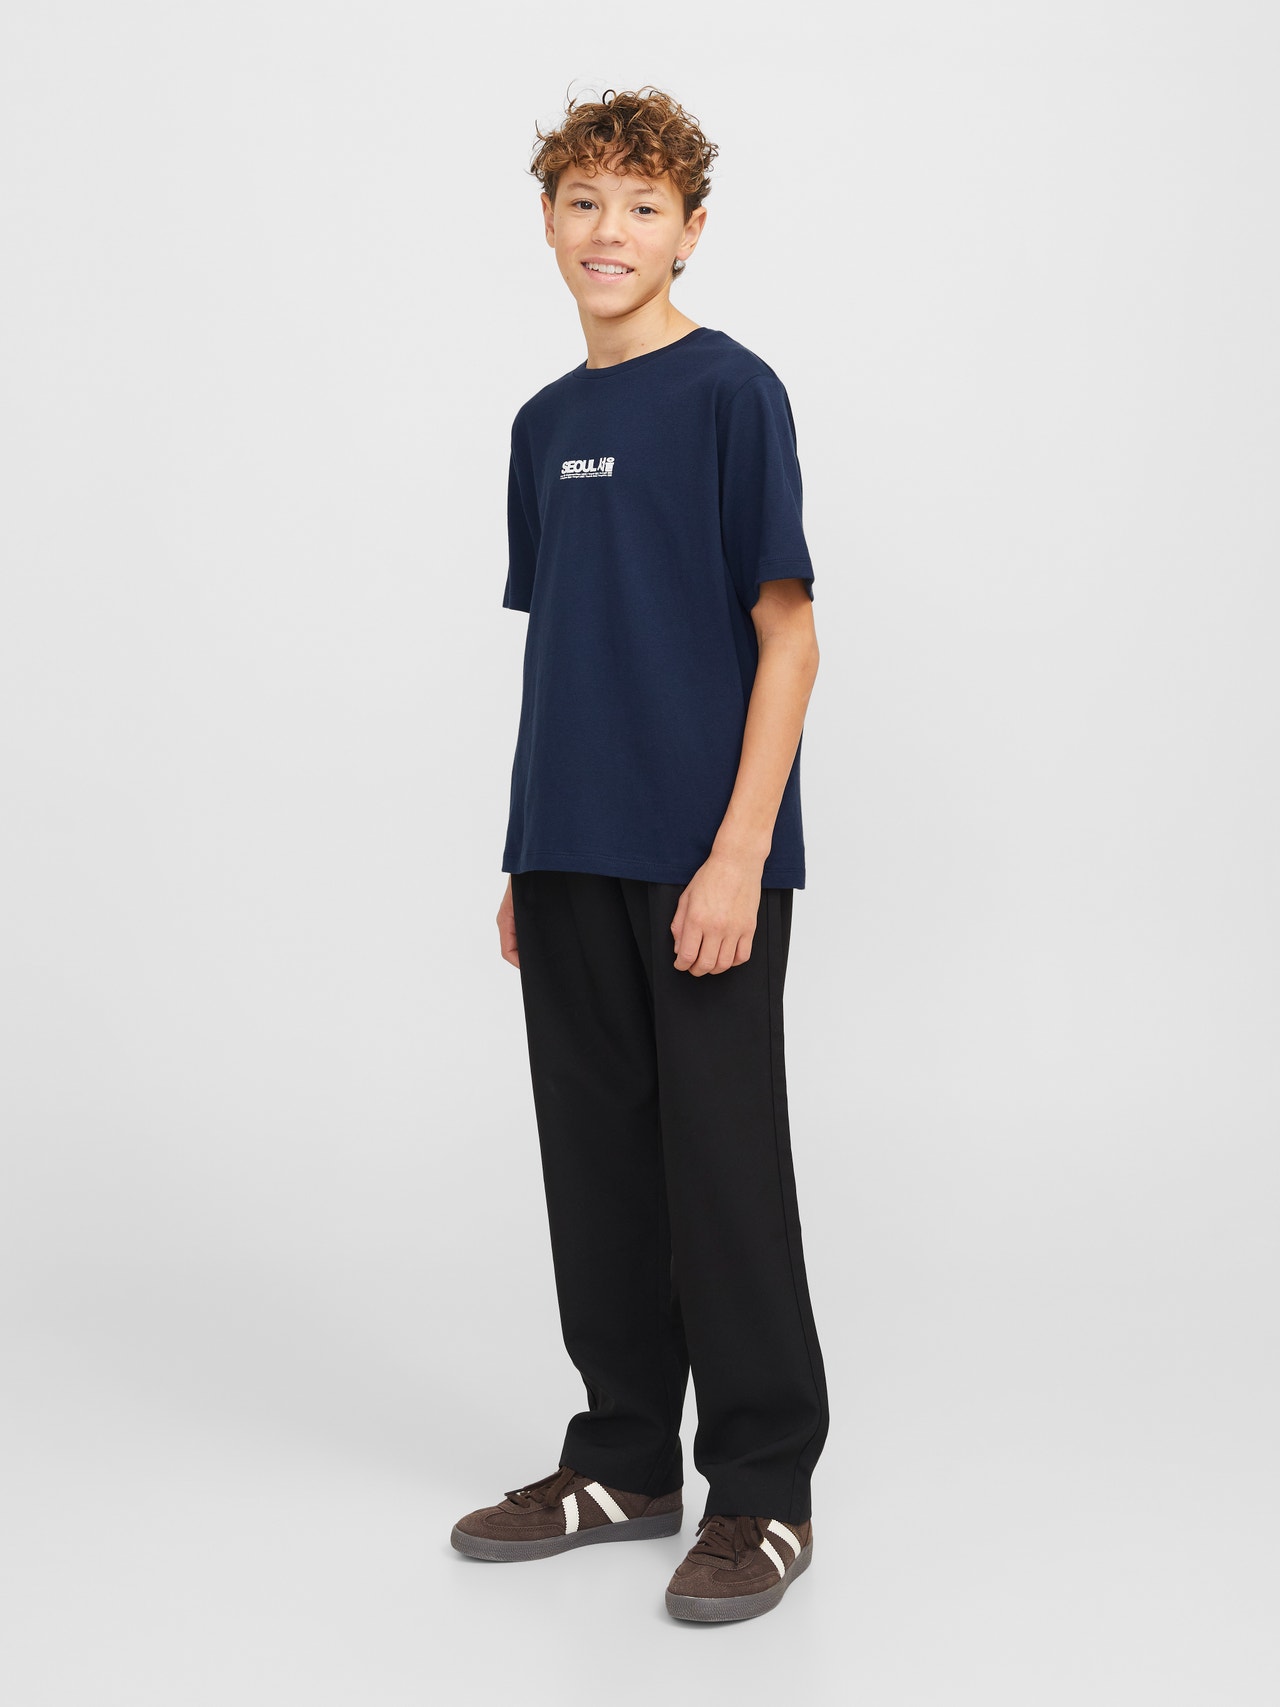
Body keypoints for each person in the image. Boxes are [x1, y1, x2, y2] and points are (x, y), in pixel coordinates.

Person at [450, 85, 830, 1624]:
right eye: (584, 202)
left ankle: (764, 1492)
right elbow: (571, 651)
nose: (610, 233)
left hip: (702, 858)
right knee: (597, 1168)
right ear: (549, 220)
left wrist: (739, 854)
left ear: (691, 230)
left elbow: (788, 639)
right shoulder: (544, 426)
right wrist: (523, 853)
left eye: (643, 207)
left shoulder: (732, 394)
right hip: (567, 855)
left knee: (721, 1175)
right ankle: (622, 1462)